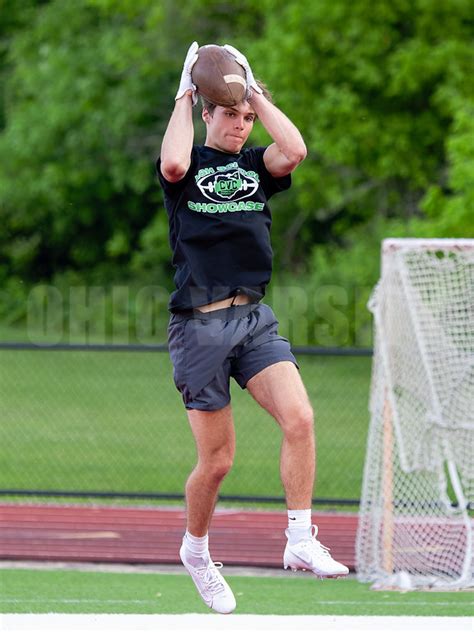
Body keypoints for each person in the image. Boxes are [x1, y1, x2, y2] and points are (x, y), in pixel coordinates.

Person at [157, 41, 348, 615]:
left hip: (253, 320)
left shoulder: (255, 166)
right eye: (229, 115)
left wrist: (253, 90)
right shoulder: (190, 165)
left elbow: (296, 150)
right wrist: (186, 91)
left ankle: (300, 537)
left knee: (300, 418)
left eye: (246, 118)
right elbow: (171, 165)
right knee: (218, 462)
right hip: (200, 327)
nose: (240, 126)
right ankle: (196, 551)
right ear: (207, 113)